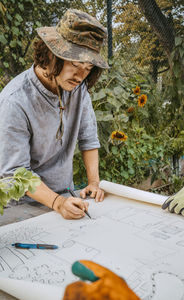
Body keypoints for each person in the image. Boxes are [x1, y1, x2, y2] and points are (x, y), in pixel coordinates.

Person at [0, 9, 109, 219]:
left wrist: (94, 183)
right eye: (74, 64)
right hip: (21, 207)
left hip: (66, 196)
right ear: (51, 54)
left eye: (87, 68)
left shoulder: (78, 89)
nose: (80, 76)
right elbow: (15, 174)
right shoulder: (14, 101)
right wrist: (57, 203)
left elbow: (88, 138)